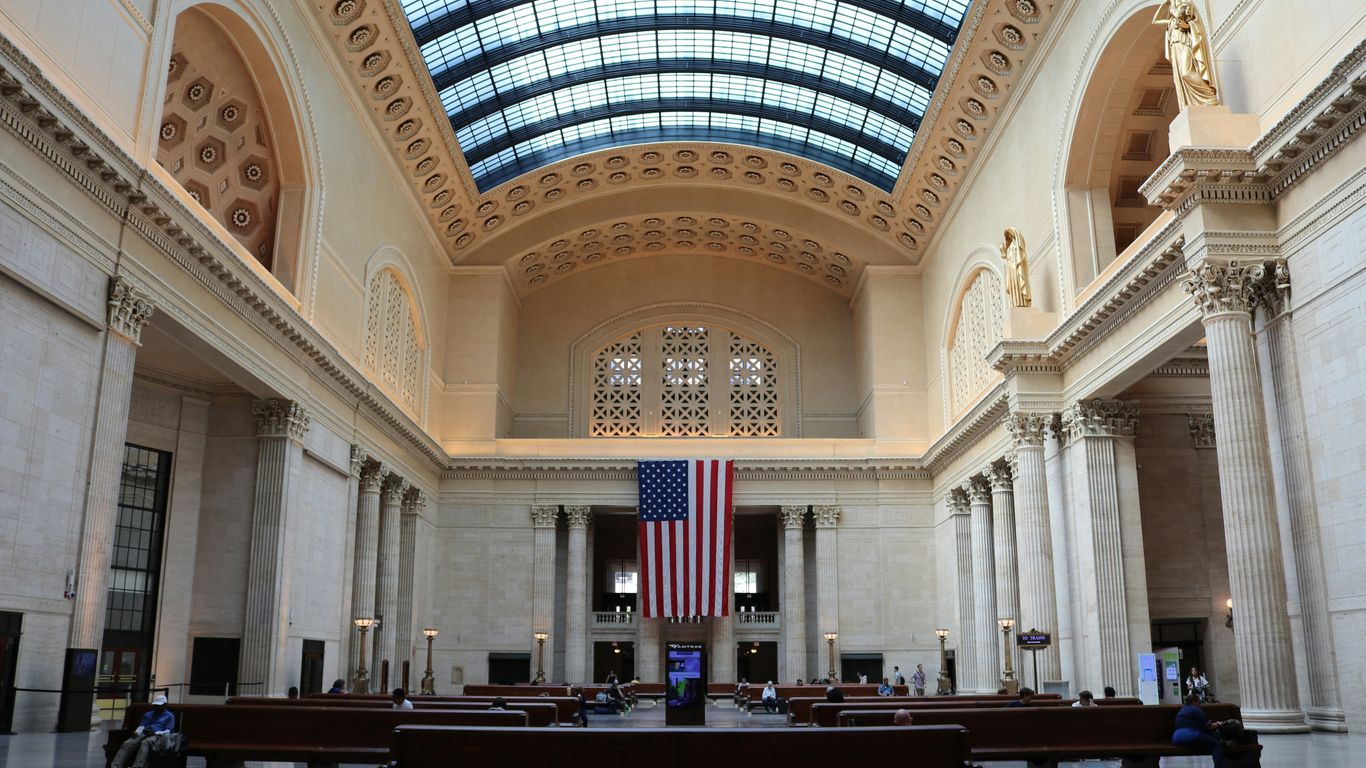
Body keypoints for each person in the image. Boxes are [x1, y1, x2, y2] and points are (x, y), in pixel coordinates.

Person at [110, 694, 175, 768]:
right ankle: (115, 766)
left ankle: (137, 766)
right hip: (145, 732)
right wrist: (137, 732)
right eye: (156, 705)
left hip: (158, 735)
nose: (157, 707)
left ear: (165, 705)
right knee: (128, 743)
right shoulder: (148, 714)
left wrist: (155, 733)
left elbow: (167, 731)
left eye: (159, 705)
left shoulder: (170, 716)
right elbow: (142, 726)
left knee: (145, 743)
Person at [1172, 693, 1225, 768]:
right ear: (1194, 702)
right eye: (1199, 702)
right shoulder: (1196, 710)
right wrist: (1218, 724)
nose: (1200, 704)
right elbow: (1207, 728)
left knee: (1209, 738)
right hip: (1190, 736)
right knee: (1217, 745)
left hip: (1176, 737)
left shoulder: (1183, 709)